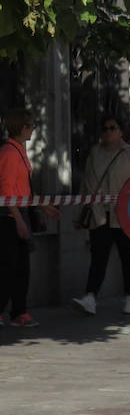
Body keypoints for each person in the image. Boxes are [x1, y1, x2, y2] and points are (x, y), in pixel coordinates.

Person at [72, 115, 130, 315]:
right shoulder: (95, 153)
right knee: (98, 257)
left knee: (127, 257)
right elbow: (86, 184)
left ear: (121, 131)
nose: (108, 132)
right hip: (99, 214)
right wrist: (82, 210)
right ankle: (90, 297)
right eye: (104, 128)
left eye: (112, 128)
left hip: (123, 215)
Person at [0, 109, 60, 328]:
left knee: (21, 268)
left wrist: (43, 207)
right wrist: (18, 220)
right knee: (9, 267)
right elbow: (6, 191)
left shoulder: (18, 152)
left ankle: (19, 311)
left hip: (18, 212)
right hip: (8, 216)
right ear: (22, 127)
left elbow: (22, 190)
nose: (33, 129)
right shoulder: (9, 153)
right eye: (31, 125)